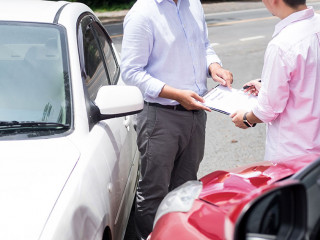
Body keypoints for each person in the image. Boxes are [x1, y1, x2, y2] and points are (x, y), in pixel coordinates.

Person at [121, 0, 233, 238]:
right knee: (154, 191)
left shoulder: (192, 4)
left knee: (186, 189)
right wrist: (175, 94)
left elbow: (204, 45)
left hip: (196, 113)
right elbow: (131, 72)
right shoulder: (143, 13)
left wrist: (214, 66)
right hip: (160, 117)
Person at [230, 0, 320, 161]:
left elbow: (268, 109)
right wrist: (267, 86)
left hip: (294, 151)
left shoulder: (282, 44)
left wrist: (246, 118)